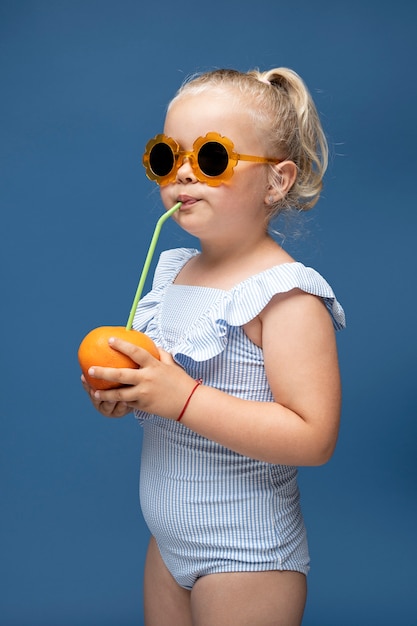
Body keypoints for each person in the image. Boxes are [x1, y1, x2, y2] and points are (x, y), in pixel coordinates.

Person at [81, 67, 345, 626]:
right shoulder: (174, 273)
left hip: (245, 553)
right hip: (168, 540)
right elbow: (166, 396)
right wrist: (128, 392)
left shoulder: (284, 295)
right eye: (166, 157)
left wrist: (179, 396)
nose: (182, 175)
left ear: (277, 181)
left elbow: (313, 437)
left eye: (212, 159)